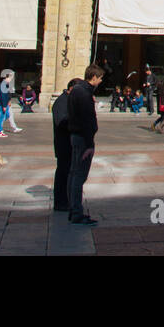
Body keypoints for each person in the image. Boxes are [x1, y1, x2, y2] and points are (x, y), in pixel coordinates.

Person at [66, 64, 105, 226]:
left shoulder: (77, 90)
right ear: (94, 77)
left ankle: (73, 209)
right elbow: (87, 120)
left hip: (76, 136)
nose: (101, 81)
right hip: (83, 139)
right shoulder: (83, 93)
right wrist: (89, 144)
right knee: (79, 175)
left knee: (74, 173)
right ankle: (76, 212)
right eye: (101, 78)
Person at [51, 78, 79, 212]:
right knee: (63, 173)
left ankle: (65, 200)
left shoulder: (68, 101)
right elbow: (61, 122)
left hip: (68, 144)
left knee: (67, 173)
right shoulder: (61, 102)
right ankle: (61, 202)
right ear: (72, 89)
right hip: (64, 144)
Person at [0, 70, 22, 136]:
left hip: (4, 103)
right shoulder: (4, 84)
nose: (12, 79)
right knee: (2, 117)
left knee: (7, 115)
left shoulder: (6, 84)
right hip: (3, 104)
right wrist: (4, 105)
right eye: (11, 77)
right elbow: (3, 96)